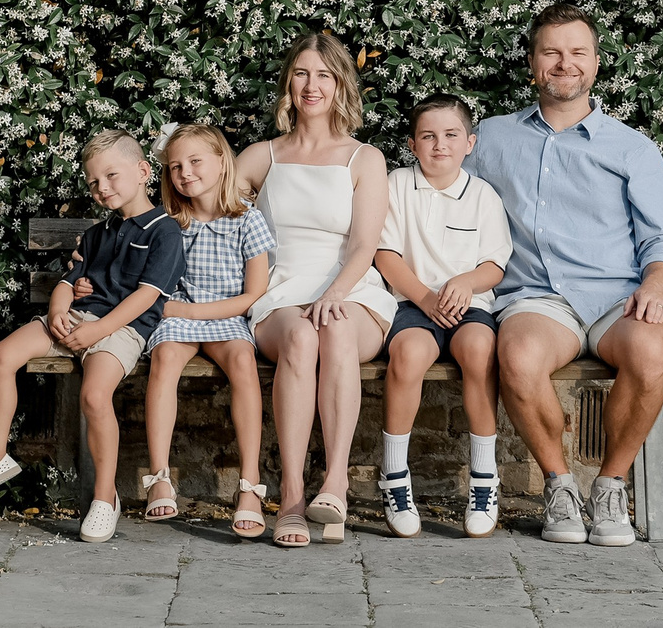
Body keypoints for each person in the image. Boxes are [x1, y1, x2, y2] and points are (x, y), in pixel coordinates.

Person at [467, 4, 663, 548]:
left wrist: (655, 287)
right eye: (552, 52)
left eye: (577, 53)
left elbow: (662, 236)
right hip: (537, 297)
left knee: (651, 351)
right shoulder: (488, 139)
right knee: (516, 357)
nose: (565, 63)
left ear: (594, 63)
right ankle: (560, 486)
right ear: (533, 63)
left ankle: (611, 485)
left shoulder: (631, 147)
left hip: (618, 297)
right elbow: (442, 198)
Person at [0, 130, 181, 545]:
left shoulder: (164, 231)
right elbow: (67, 281)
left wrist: (99, 328)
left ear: (143, 171)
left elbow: (149, 296)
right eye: (93, 182)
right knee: (3, 355)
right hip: (75, 319)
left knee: (94, 397)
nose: (102, 188)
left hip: (121, 330)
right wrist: (58, 311)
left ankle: (104, 497)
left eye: (111, 176)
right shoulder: (97, 234)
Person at [239, 31, 396, 548]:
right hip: (281, 291)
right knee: (303, 338)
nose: (312, 85)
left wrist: (335, 294)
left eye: (324, 75)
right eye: (302, 73)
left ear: (340, 85)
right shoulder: (263, 156)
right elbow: (206, 208)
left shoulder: (363, 158)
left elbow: (365, 244)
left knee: (334, 331)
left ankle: (334, 482)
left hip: (351, 289)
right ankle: (289, 498)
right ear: (289, 81)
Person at [371, 93, 512, 538]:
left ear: (469, 143)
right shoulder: (396, 185)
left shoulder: (483, 195)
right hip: (413, 303)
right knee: (409, 355)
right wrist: (424, 297)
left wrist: (466, 283)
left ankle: (484, 480)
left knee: (479, 350)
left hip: (469, 305)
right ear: (413, 144)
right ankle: (394, 478)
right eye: (428, 136)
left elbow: (495, 264)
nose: (440, 145)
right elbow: (385, 253)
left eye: (451, 135)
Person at [141, 123, 274, 538]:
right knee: (164, 358)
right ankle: (160, 476)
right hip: (175, 314)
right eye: (176, 166)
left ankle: (249, 485)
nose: (185, 172)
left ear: (222, 161)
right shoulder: (167, 223)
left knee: (242, 359)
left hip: (226, 314)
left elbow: (254, 293)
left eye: (195, 161)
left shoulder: (247, 221)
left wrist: (196, 313)